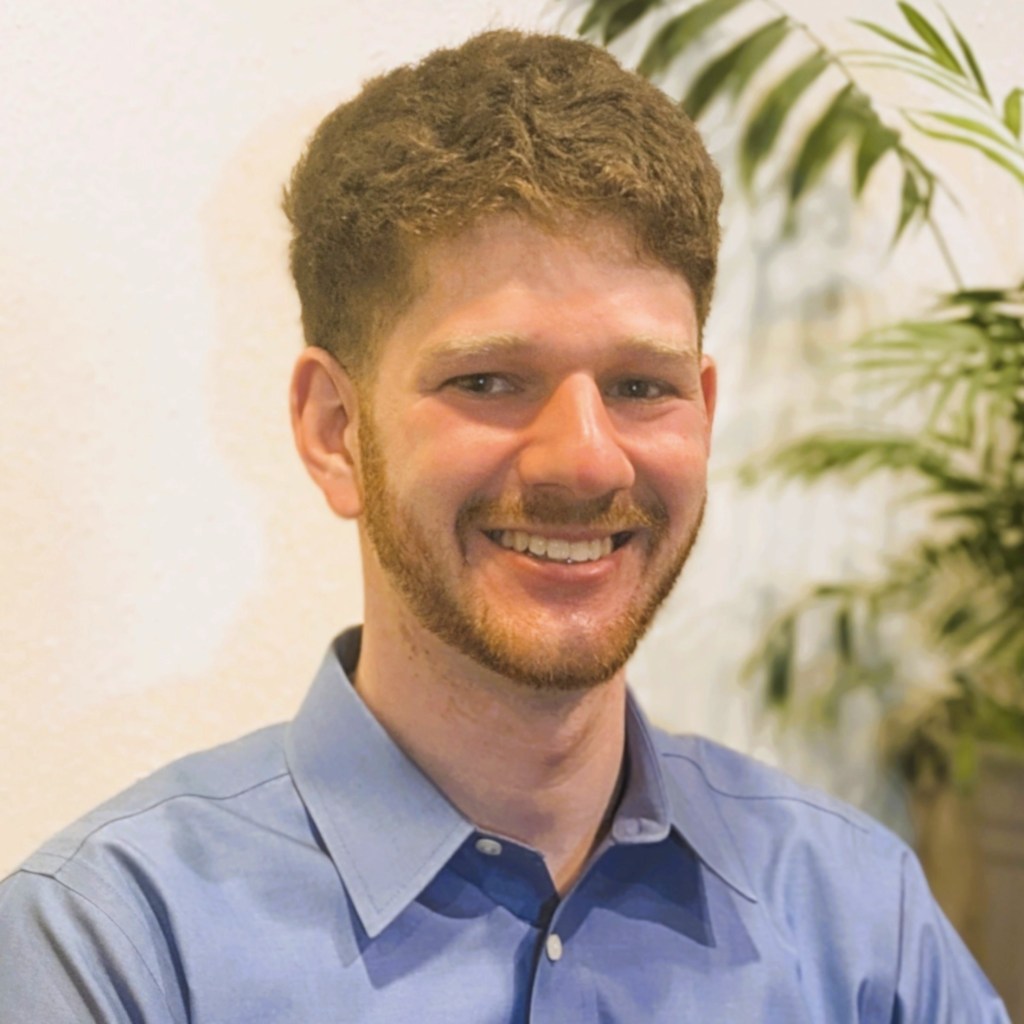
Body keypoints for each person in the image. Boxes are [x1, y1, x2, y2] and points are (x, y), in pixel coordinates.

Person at [0, 29, 1009, 1023]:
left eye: (639, 385)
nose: (587, 459)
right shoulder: (115, 952)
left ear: (703, 409)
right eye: (488, 381)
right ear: (335, 429)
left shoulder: (860, 924)